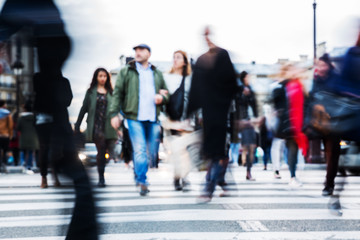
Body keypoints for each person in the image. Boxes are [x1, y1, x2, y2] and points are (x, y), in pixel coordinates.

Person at [0, 1, 98, 239]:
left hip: (51, 45)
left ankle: (83, 227)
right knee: (63, 157)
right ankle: (82, 226)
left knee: (66, 158)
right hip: (51, 45)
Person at [110, 44, 169, 196]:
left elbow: (166, 94)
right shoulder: (126, 71)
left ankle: (138, 174)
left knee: (149, 152)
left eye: (141, 50)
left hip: (152, 118)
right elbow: (118, 93)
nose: (137, 53)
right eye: (135, 50)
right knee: (140, 150)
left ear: (149, 53)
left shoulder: (156, 73)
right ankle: (143, 181)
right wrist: (114, 113)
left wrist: (161, 97)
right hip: (134, 117)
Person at [187, 27, 237, 202]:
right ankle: (222, 182)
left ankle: (208, 188)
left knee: (217, 151)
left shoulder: (222, 56)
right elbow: (195, 89)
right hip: (208, 113)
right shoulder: (201, 60)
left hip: (223, 112)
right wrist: (190, 112)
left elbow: (232, 84)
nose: (207, 38)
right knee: (216, 152)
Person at [75, 68, 117, 187]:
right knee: (101, 150)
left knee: (107, 151)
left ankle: (102, 168)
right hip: (96, 126)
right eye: (100, 76)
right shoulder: (91, 92)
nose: (103, 78)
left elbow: (116, 109)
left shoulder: (111, 92)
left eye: (104, 76)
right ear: (96, 77)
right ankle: (101, 178)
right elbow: (84, 109)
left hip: (108, 125)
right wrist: (77, 124)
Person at [271, 63, 308, 187]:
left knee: (293, 150)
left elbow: (306, 103)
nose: (293, 72)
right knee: (287, 149)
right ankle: (290, 175)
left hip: (298, 123)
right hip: (287, 124)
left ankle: (293, 175)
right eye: (290, 70)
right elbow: (276, 103)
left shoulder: (299, 86)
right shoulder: (281, 86)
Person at [162, 50, 194, 191]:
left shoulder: (189, 79)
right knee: (176, 151)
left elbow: (193, 100)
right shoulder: (165, 77)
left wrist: (192, 118)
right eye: (174, 57)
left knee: (184, 151)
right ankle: (178, 177)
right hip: (171, 121)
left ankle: (184, 177)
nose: (175, 60)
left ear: (184, 61)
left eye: (178, 57)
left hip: (186, 120)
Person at [238, 71, 258, 181]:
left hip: (250, 121)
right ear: (243, 78)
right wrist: (243, 95)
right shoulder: (239, 90)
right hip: (242, 121)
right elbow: (237, 104)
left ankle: (248, 171)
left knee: (251, 146)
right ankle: (247, 169)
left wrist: (256, 118)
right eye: (248, 77)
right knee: (246, 146)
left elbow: (255, 106)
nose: (249, 78)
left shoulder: (251, 90)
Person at [17, 101, 39, 173]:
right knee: (30, 152)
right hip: (33, 137)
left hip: (23, 137)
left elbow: (18, 128)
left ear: (25, 109)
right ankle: (29, 166)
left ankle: (23, 162)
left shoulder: (21, 118)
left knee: (22, 150)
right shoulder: (35, 118)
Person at [0, 100, 13, 173]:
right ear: (3, 105)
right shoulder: (7, 114)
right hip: (5, 135)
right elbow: (10, 125)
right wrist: (10, 135)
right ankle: (4, 165)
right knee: (5, 151)